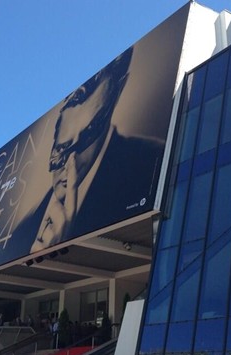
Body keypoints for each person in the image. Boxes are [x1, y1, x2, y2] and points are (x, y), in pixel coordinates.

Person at [28, 46, 164, 253]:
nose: (70, 165)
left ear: (118, 91)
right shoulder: (26, 227)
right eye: (62, 148)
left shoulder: (152, 161)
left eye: (90, 132)